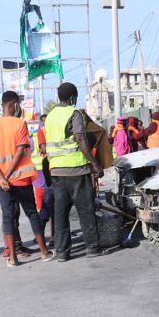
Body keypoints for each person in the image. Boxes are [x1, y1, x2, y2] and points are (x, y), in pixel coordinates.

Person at [0, 91, 52, 267]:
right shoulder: (20, 124)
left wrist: (1, 178)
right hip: (20, 178)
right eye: (18, 104)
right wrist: (7, 176)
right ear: (13, 104)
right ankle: (44, 252)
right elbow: (20, 150)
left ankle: (12, 258)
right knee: (31, 213)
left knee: (8, 216)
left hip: (0, 182)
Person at [45, 82, 103, 261]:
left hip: (56, 171)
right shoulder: (74, 113)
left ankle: (62, 252)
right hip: (76, 170)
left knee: (61, 214)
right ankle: (92, 247)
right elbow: (80, 138)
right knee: (85, 210)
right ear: (72, 98)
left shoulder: (50, 116)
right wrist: (94, 164)